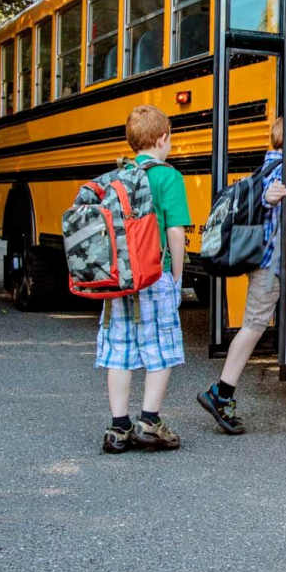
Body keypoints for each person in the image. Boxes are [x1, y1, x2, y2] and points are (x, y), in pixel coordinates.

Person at [197, 117, 286, 435]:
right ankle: (221, 392)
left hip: (284, 256)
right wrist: (270, 197)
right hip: (269, 264)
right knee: (254, 326)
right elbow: (269, 195)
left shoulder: (274, 165)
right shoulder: (279, 170)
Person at [98, 104, 192, 454]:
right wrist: (177, 278)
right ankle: (149, 421)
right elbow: (176, 233)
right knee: (161, 349)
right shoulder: (168, 176)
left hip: (118, 278)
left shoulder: (116, 176)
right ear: (163, 137)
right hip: (155, 275)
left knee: (119, 350)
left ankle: (118, 427)